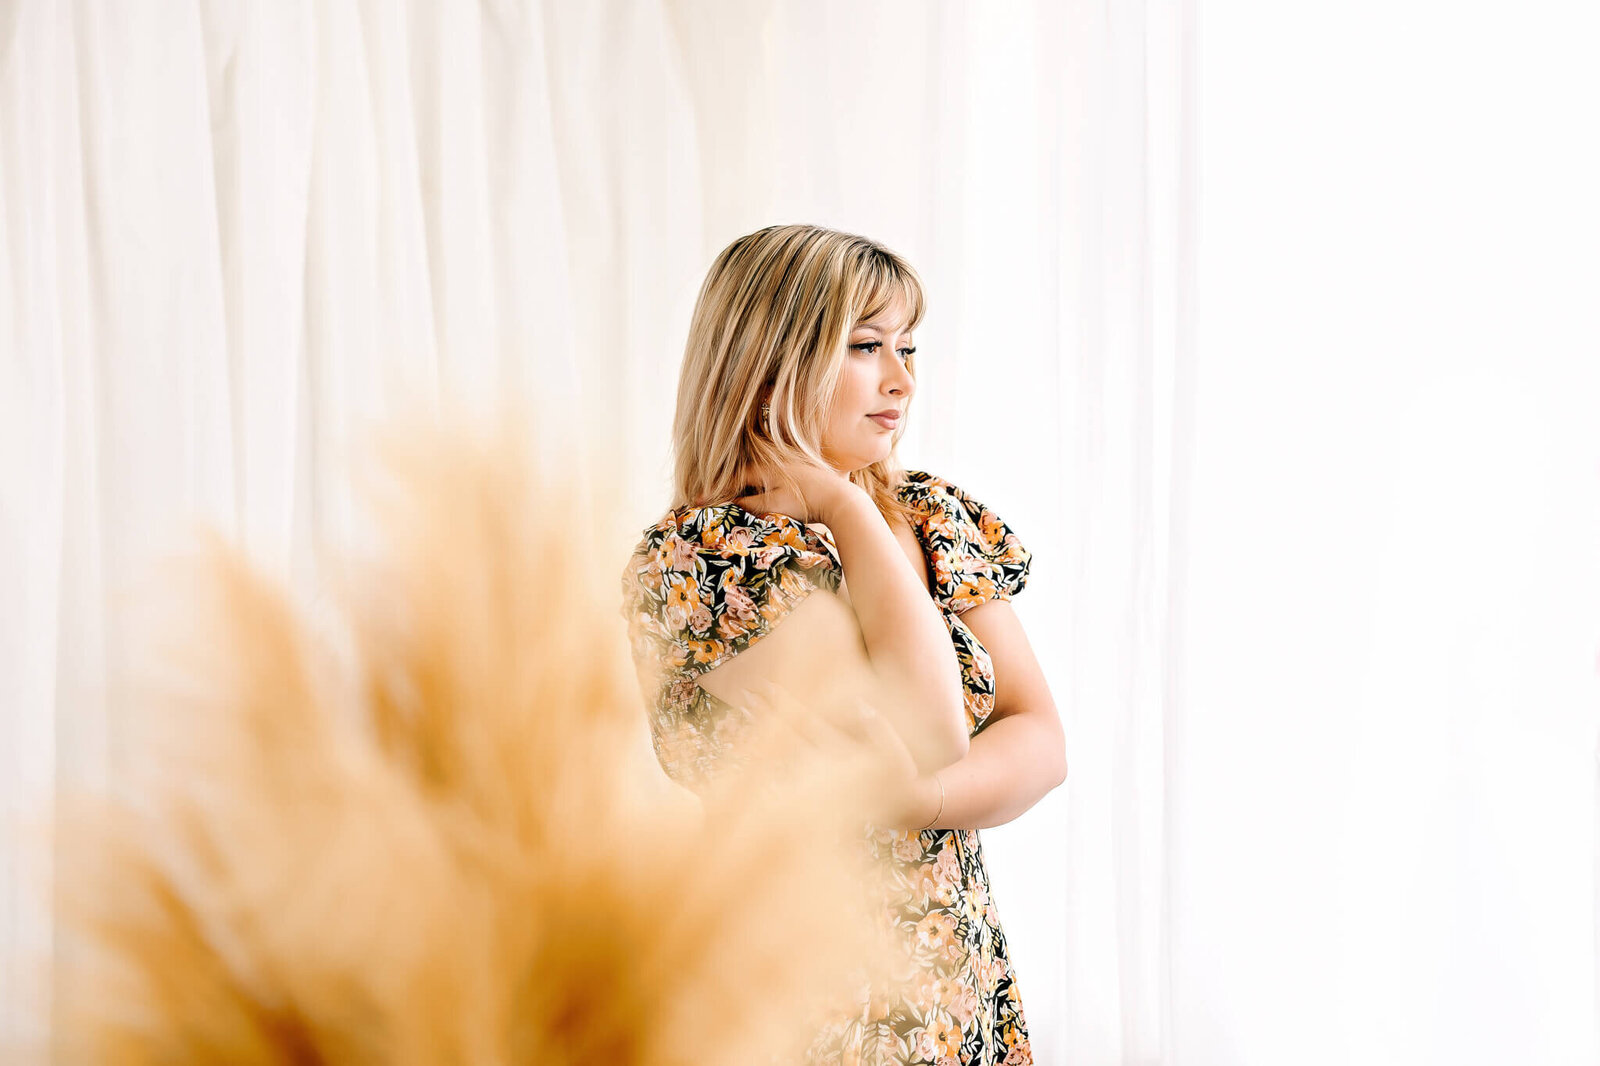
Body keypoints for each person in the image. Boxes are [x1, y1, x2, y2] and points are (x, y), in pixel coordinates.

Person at [619, 223, 1066, 1066]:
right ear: (768, 364)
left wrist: (923, 803)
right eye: (866, 345)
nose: (901, 380)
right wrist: (848, 508)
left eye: (907, 348)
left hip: (956, 988)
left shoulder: (936, 515)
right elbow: (931, 729)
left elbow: (1040, 736)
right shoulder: (703, 560)